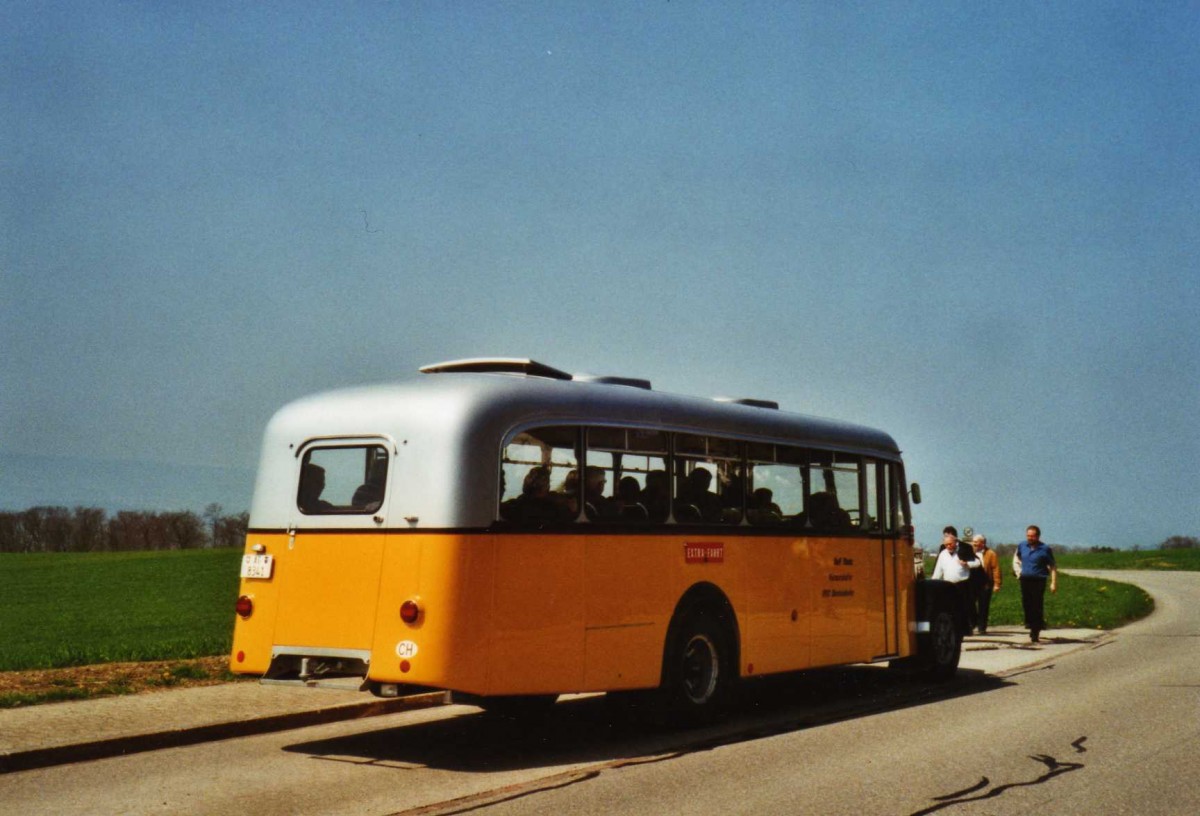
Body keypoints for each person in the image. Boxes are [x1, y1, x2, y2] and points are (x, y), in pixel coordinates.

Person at [1013, 524, 1057, 643]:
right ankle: (1031, 623)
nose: (1030, 538)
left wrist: (1053, 583)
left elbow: (1053, 566)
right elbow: (1018, 558)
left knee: (1036, 605)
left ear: (1038, 536)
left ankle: (1035, 631)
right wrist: (1020, 571)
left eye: (1032, 536)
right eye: (1028, 535)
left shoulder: (1045, 549)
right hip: (1025, 579)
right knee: (1027, 604)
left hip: (1039, 580)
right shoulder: (1022, 546)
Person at [930, 525, 980, 630]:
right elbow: (938, 570)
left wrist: (967, 564)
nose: (948, 546)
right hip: (948, 584)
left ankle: (969, 625)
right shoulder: (943, 554)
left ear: (955, 541)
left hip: (962, 583)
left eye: (950, 544)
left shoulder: (964, 549)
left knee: (965, 605)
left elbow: (977, 562)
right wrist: (933, 583)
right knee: (951, 607)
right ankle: (955, 626)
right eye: (946, 544)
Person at [971, 533, 1001, 634]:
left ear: (982, 543)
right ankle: (972, 623)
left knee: (983, 606)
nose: (974, 544)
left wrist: (997, 583)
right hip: (972, 583)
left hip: (985, 583)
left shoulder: (991, 554)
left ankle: (982, 627)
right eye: (973, 542)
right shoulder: (969, 552)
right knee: (970, 605)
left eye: (976, 542)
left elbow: (996, 569)